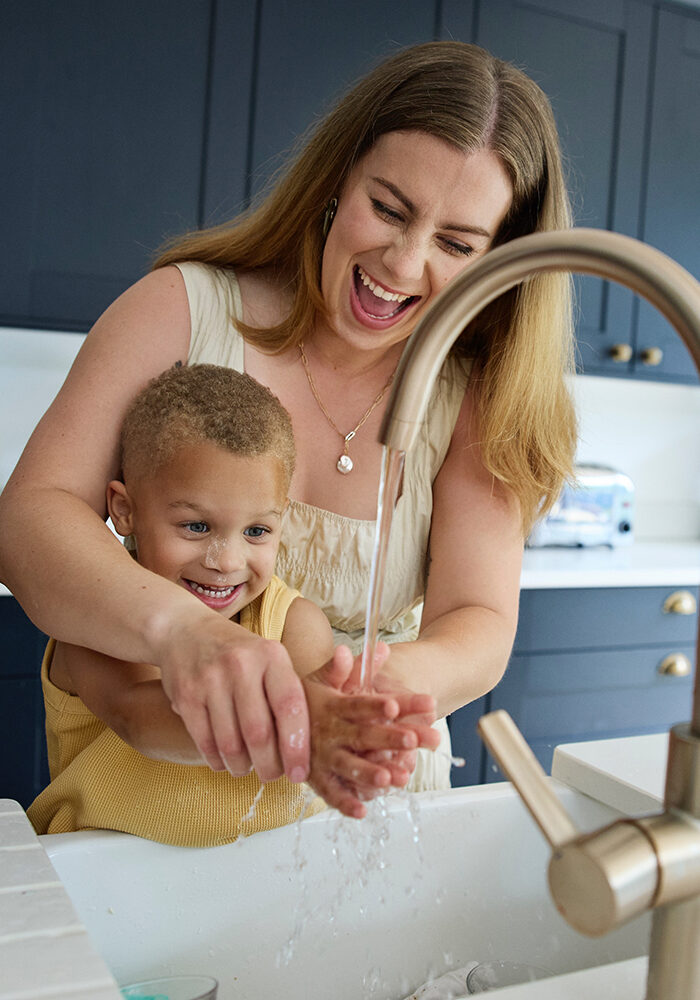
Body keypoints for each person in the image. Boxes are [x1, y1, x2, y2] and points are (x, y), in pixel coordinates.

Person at [0, 41, 577, 797]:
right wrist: (181, 632)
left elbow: (477, 619)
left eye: (456, 244)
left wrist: (361, 694)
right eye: (389, 209)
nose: (403, 264)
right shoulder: (180, 311)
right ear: (338, 180)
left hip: (369, 784)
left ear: (501, 259)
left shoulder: (477, 394)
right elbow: (29, 520)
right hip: (161, 807)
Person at [27, 364, 434, 844]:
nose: (226, 561)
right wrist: (296, 725)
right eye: (196, 526)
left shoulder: (292, 623)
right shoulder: (97, 616)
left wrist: (344, 731)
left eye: (257, 531)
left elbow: (317, 710)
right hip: (95, 883)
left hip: (253, 891)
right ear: (124, 509)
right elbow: (134, 715)